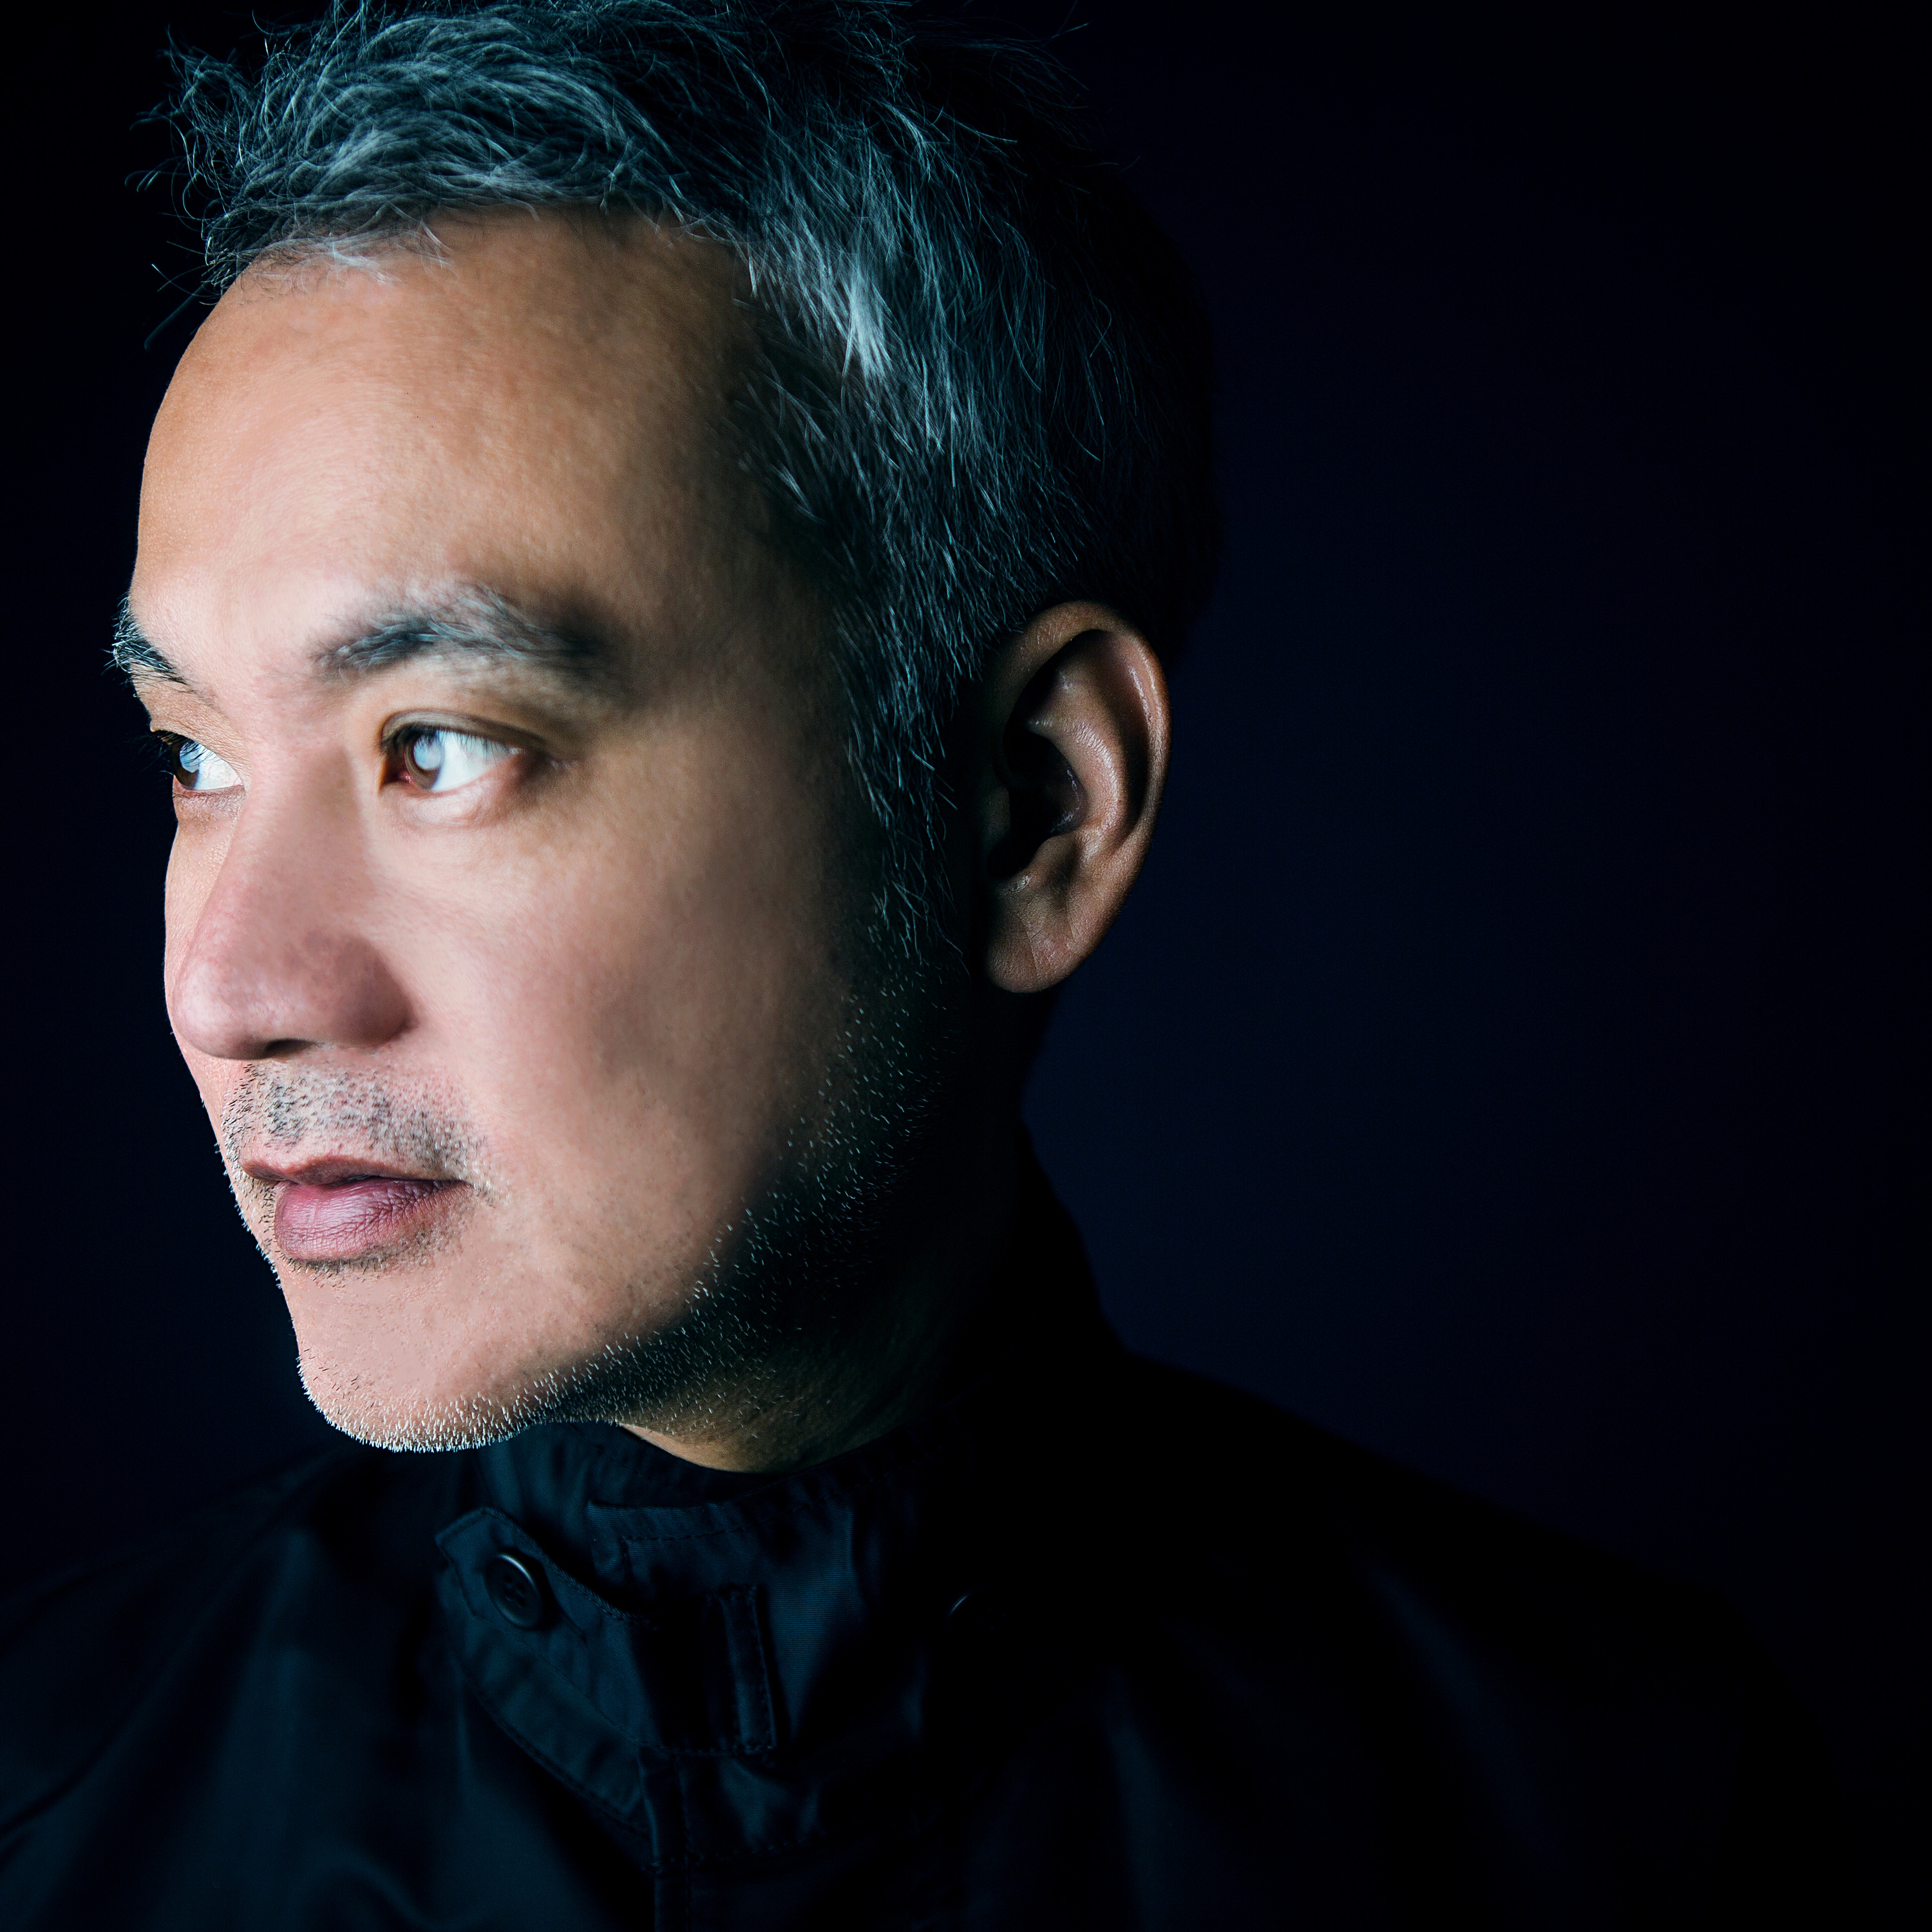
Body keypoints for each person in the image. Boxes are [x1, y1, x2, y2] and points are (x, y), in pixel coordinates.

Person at [0, 3, 1853, 1924]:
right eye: (193, 760)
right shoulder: (42, 1815)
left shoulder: (1608, 1829)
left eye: (443, 746)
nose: (228, 991)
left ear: (1035, 805)